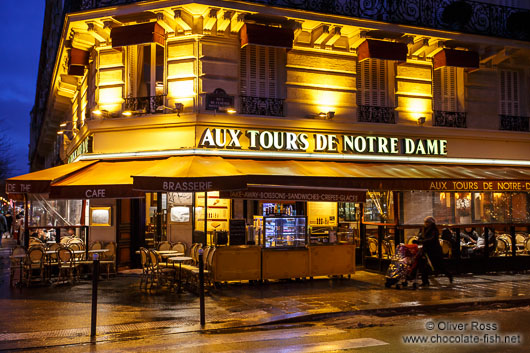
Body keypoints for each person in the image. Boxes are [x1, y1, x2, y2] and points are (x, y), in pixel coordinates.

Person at [419, 216, 453, 286]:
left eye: (427, 222)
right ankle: (425, 281)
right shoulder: (424, 229)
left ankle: (448, 274)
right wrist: (420, 240)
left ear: (430, 223)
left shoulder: (434, 230)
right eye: (425, 222)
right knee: (424, 265)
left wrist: (421, 241)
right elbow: (422, 237)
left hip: (434, 250)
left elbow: (431, 239)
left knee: (439, 265)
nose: (425, 223)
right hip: (427, 249)